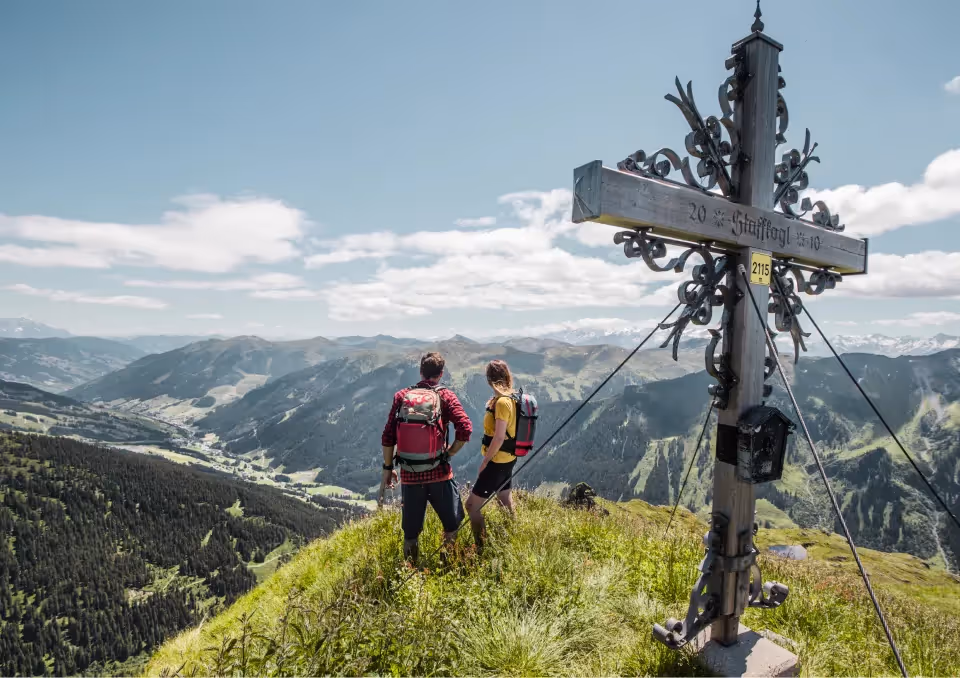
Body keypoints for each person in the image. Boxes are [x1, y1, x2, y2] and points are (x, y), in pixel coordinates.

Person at [381, 352, 472, 565]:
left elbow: (388, 436)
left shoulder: (402, 396)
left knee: (411, 532)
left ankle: (410, 572)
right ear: (440, 375)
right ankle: (448, 566)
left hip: (411, 476)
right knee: (452, 524)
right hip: (439, 474)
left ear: (421, 371)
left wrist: (387, 467)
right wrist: (448, 454)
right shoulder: (446, 396)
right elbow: (465, 429)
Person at [466, 359, 518, 549]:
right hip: (509, 459)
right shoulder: (511, 398)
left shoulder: (503, 403)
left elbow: (498, 437)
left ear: (489, 379)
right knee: (504, 498)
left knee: (472, 506)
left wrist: (485, 461)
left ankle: (482, 547)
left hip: (497, 460)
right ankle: (512, 538)